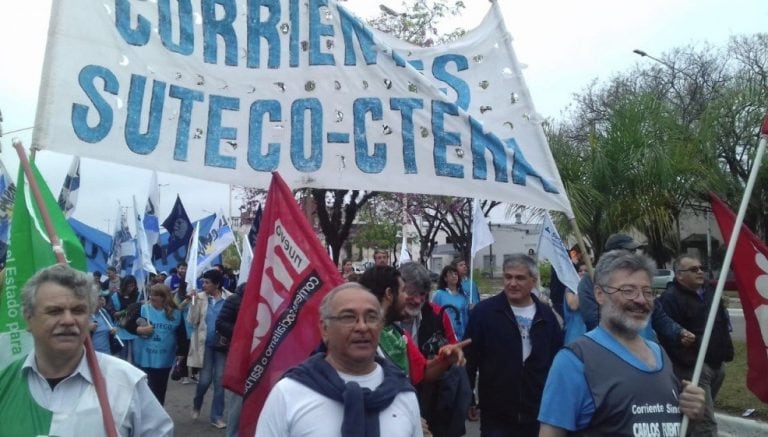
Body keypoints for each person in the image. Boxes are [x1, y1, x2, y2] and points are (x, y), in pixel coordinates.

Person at [538, 250, 707, 436]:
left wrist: (691, 413)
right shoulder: (574, 361)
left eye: (647, 291)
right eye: (628, 290)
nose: (641, 300)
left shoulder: (661, 355)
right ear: (599, 294)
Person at [0, 263, 173, 436]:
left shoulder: (127, 384)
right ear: (28, 319)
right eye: (54, 311)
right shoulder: (5, 382)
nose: (68, 320)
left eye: (78, 310)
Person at [256, 283, 422, 437]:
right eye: (348, 317)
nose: (362, 327)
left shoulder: (403, 394)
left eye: (371, 317)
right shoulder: (288, 394)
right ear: (325, 329)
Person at [464, 254, 563, 437]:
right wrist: (468, 398)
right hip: (496, 412)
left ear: (533, 281)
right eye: (508, 277)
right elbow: (470, 358)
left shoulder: (547, 316)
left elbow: (557, 362)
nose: (512, 283)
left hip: (537, 410)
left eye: (520, 278)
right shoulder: (484, 313)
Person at [657, 255, 734, 436]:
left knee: (695, 415)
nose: (700, 272)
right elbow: (667, 336)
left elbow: (721, 321)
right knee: (705, 422)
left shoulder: (710, 291)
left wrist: (726, 351)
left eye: (701, 268)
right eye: (693, 269)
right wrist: (688, 361)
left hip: (717, 363)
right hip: (694, 368)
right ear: (679, 275)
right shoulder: (670, 299)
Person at [577, 233, 695, 347]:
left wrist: (678, 332)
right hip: (609, 350)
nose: (634, 255)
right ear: (612, 254)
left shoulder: (639, 279)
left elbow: (657, 314)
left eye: (634, 251)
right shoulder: (591, 280)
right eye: (630, 251)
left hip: (645, 350)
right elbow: (592, 319)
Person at [358, 266, 467, 387]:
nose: (414, 299)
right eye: (405, 291)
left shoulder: (399, 333)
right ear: (389, 294)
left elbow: (422, 371)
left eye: (422, 294)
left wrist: (446, 359)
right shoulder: (357, 334)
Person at [399, 262, 472, 437]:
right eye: (411, 293)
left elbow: (453, 349)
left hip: (433, 399)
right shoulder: (383, 321)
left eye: (422, 294)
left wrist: (451, 354)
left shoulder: (438, 315)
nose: (417, 300)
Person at [128, 283, 187, 405]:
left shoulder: (175, 313)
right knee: (143, 389)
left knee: (159, 390)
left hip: (164, 358)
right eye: (150, 294)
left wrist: (181, 353)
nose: (151, 297)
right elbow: (127, 325)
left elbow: (181, 334)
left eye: (155, 295)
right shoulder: (142, 308)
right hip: (143, 357)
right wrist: (139, 330)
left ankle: (158, 416)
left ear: (164, 297)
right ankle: (142, 416)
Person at [188, 268, 233, 429]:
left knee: (220, 382)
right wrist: (192, 302)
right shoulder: (199, 298)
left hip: (222, 346)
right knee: (204, 380)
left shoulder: (230, 298)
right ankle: (197, 403)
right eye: (203, 282)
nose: (204, 285)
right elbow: (192, 320)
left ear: (217, 284)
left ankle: (217, 416)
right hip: (205, 345)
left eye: (207, 282)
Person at [215, 282, 247, 437]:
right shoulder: (235, 299)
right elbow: (220, 323)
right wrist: (241, 333)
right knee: (238, 398)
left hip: (264, 356)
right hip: (241, 354)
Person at [107, 274, 142, 364]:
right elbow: (114, 313)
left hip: (135, 329)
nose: (131, 288)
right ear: (124, 285)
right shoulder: (115, 296)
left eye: (133, 286)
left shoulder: (138, 295)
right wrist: (128, 310)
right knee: (123, 356)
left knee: (136, 356)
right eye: (129, 286)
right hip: (121, 328)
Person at [432, 265, 469, 340]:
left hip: (461, 334)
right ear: (445, 278)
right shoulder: (439, 295)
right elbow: (434, 314)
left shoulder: (463, 295)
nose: (454, 276)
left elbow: (465, 316)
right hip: (444, 334)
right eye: (451, 274)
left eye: (455, 274)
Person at [562, 263, 587, 345]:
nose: (583, 273)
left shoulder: (594, 289)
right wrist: (581, 286)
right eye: (580, 271)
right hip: (574, 335)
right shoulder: (570, 288)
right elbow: (573, 305)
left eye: (586, 271)